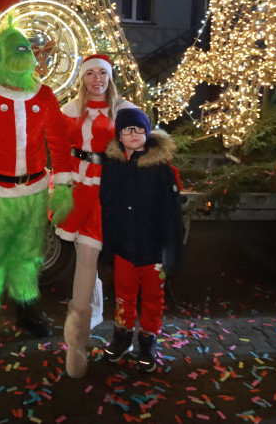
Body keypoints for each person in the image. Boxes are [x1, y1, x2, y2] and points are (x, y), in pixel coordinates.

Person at [0, 22, 73, 352]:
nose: (22, 58)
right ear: (2, 59)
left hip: (34, 193)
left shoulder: (45, 96)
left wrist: (62, 184)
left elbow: (59, 145)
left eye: (25, 51)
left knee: (28, 257)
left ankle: (26, 310)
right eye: (14, 52)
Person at [54, 54, 137, 378]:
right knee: (85, 259)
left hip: (110, 190)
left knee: (107, 262)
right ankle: (80, 337)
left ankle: (94, 337)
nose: (97, 79)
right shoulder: (70, 110)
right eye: (90, 73)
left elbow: (144, 145)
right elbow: (57, 147)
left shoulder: (125, 109)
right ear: (82, 78)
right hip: (78, 188)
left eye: (103, 73)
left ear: (110, 77)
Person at [99, 108, 183, 373]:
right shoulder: (113, 168)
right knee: (124, 295)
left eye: (138, 129)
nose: (133, 134)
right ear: (119, 136)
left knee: (152, 297)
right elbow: (108, 207)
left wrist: (170, 250)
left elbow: (172, 215)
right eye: (127, 130)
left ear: (147, 133)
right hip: (125, 247)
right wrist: (109, 245)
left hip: (154, 250)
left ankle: (148, 340)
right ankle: (122, 337)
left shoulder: (162, 170)